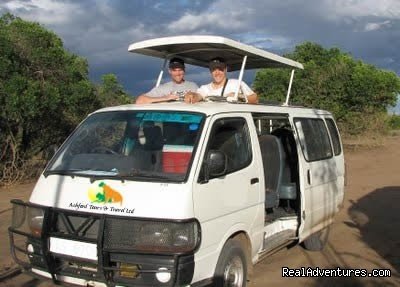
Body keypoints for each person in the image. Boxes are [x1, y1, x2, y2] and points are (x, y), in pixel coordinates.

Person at [184, 57, 258, 104]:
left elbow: (255, 99)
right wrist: (191, 95)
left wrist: (239, 96)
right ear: (210, 71)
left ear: (225, 70)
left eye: (220, 69)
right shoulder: (205, 88)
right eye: (214, 70)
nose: (217, 73)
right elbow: (198, 96)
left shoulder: (237, 83)